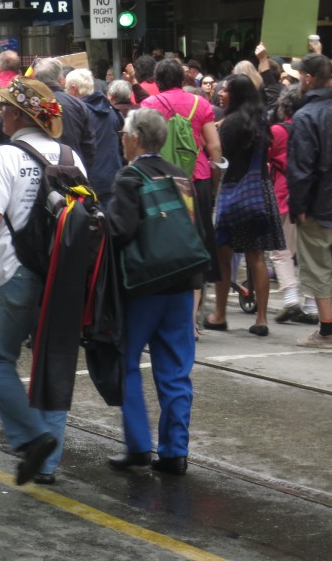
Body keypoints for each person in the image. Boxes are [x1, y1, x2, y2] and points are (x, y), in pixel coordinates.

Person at [0, 77, 82, 486]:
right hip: (63, 274)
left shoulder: (6, 156)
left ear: (18, 115)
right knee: (53, 364)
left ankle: (31, 436)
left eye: (4, 107)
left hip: (16, 272)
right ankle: (47, 462)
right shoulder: (70, 154)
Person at [107, 108, 201, 476]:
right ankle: (175, 452)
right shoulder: (180, 175)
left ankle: (138, 446)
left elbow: (120, 231)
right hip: (181, 283)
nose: (121, 138)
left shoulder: (129, 176)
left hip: (144, 287)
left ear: (134, 138)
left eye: (124, 133)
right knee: (176, 369)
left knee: (127, 362)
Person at [141, 58, 223, 331]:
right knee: (194, 246)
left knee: (160, 244)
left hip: (158, 183)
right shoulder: (202, 104)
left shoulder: (149, 106)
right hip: (194, 182)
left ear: (157, 80)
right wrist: (213, 175)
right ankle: (191, 321)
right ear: (184, 79)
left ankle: (160, 314)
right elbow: (215, 147)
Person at [203, 75, 284, 336]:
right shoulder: (261, 120)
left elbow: (221, 159)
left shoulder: (230, 124)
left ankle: (219, 314)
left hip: (234, 192)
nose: (220, 94)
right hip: (260, 190)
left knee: (224, 255)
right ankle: (261, 319)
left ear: (236, 95)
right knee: (257, 256)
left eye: (226, 90)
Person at [285, 54, 332, 349]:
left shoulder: (305, 117)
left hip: (319, 206)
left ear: (308, 78)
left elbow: (301, 169)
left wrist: (299, 207)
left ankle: (326, 332)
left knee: (319, 270)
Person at [270, 86, 317, 325]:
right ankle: (310, 305)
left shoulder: (277, 130)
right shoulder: (312, 127)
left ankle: (290, 298)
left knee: (281, 251)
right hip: (311, 196)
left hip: (283, 195)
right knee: (309, 254)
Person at [67, 68, 123, 205]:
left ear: (74, 89)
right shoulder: (110, 110)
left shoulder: (79, 114)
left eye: (66, 89)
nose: (66, 94)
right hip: (112, 177)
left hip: (90, 182)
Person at [34, 57, 96, 170]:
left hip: (38, 168)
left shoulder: (30, 104)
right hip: (72, 169)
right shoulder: (78, 105)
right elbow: (88, 146)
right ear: (61, 79)